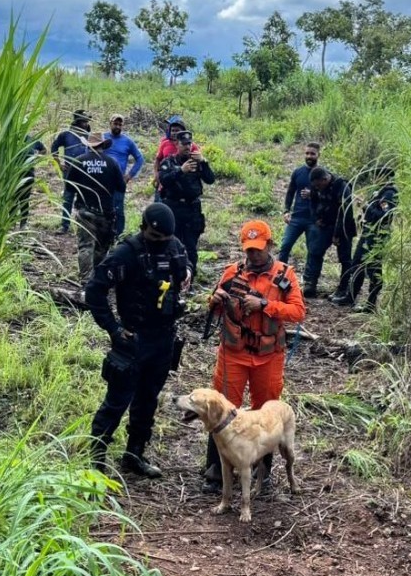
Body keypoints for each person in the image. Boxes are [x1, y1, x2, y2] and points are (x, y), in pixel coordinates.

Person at [85, 203, 190, 479]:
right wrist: (114, 329)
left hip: (163, 338)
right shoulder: (127, 253)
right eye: (155, 237)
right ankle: (96, 461)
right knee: (117, 402)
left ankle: (134, 455)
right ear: (143, 227)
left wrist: (187, 273)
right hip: (133, 339)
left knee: (147, 400)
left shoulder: (174, 246)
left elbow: (185, 264)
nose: (161, 242)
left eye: (165, 238)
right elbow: (94, 291)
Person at [202, 220, 306, 494]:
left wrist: (265, 305)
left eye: (258, 249)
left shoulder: (285, 275)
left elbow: (298, 312)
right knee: (221, 409)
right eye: (249, 249)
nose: (254, 254)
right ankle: (216, 471)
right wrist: (215, 301)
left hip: (268, 356)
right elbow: (215, 307)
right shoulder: (232, 272)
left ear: (270, 245)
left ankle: (263, 473)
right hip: (233, 354)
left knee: (266, 412)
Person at [64, 132, 126, 283]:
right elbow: (121, 187)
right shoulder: (111, 162)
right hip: (106, 212)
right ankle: (98, 279)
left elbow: (69, 187)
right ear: (103, 145)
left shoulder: (79, 161)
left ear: (89, 146)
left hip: (85, 210)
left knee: (85, 246)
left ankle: (86, 279)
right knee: (102, 247)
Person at [158, 130, 215, 278]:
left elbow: (210, 179)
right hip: (174, 208)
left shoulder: (196, 162)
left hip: (192, 209)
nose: (187, 147)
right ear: (177, 144)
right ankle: (173, 277)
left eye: (189, 144)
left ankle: (189, 278)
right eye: (184, 144)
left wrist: (204, 162)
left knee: (191, 248)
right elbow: (164, 180)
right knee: (172, 245)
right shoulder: (169, 162)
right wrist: (181, 171)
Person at [349, 168, 398, 312]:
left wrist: (366, 206)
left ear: (386, 178)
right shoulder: (379, 192)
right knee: (357, 264)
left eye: (378, 175)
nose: (374, 178)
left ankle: (370, 304)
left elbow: (385, 216)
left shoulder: (389, 193)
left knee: (373, 269)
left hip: (377, 236)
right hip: (368, 233)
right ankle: (350, 297)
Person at [307, 166, 356, 304]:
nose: (317, 188)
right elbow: (313, 201)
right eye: (315, 186)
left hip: (343, 227)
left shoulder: (342, 186)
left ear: (325, 179)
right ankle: (311, 284)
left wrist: (337, 234)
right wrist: (316, 218)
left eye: (319, 185)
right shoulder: (316, 185)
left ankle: (343, 289)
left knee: (345, 259)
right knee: (315, 251)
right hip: (325, 224)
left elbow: (346, 212)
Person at [277, 142, 321, 298]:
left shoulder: (322, 174)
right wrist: (286, 210)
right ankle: (280, 278)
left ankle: (310, 284)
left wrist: (313, 195)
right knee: (285, 246)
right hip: (296, 218)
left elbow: (328, 197)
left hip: (313, 220)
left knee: (313, 251)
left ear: (318, 155)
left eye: (312, 154)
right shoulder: (298, 172)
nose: (309, 156)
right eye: (307, 153)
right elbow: (290, 192)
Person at [102, 113, 145, 238]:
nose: (118, 126)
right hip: (102, 179)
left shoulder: (127, 141)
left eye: (120, 124)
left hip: (119, 180)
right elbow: (89, 150)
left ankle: (119, 236)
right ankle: (104, 234)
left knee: (118, 209)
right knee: (103, 207)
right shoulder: (103, 138)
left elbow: (140, 158)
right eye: (115, 123)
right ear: (110, 123)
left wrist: (129, 175)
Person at [51, 110, 91, 233]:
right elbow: (54, 148)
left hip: (85, 171)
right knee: (68, 197)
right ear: (77, 122)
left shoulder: (89, 136)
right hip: (69, 171)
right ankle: (65, 225)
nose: (86, 123)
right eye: (84, 121)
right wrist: (59, 164)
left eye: (87, 121)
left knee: (84, 198)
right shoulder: (66, 135)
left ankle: (82, 225)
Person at [152, 115, 200, 201]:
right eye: (172, 130)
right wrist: (156, 175)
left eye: (177, 130)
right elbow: (158, 159)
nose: (174, 133)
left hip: (184, 184)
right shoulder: (165, 143)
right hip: (166, 181)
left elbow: (199, 162)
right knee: (159, 205)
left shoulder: (191, 146)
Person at [17, 134, 46, 228]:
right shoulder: (11, 139)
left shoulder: (31, 140)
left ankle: (23, 223)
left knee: (24, 199)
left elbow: (44, 150)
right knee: (12, 199)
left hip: (28, 174)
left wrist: (36, 157)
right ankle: (12, 223)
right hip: (13, 176)